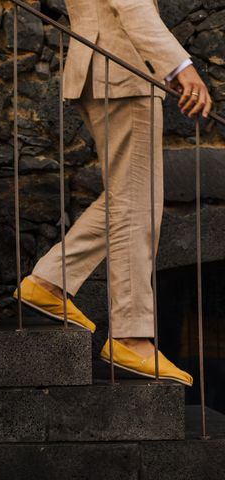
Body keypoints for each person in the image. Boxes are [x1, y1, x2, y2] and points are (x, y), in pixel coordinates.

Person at [14, 0, 212, 386]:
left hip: (111, 67)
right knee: (137, 204)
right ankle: (130, 336)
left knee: (129, 197)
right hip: (121, 70)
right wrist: (180, 66)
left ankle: (48, 282)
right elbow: (131, 3)